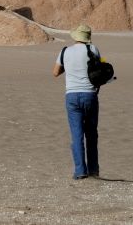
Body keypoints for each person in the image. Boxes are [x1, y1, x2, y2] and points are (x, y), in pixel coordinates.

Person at [52, 24, 104, 180]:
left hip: (72, 96)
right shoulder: (93, 50)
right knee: (91, 134)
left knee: (77, 135)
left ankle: (80, 171)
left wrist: (68, 68)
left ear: (75, 37)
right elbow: (99, 69)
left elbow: (55, 72)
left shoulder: (64, 51)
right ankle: (93, 170)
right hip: (90, 95)